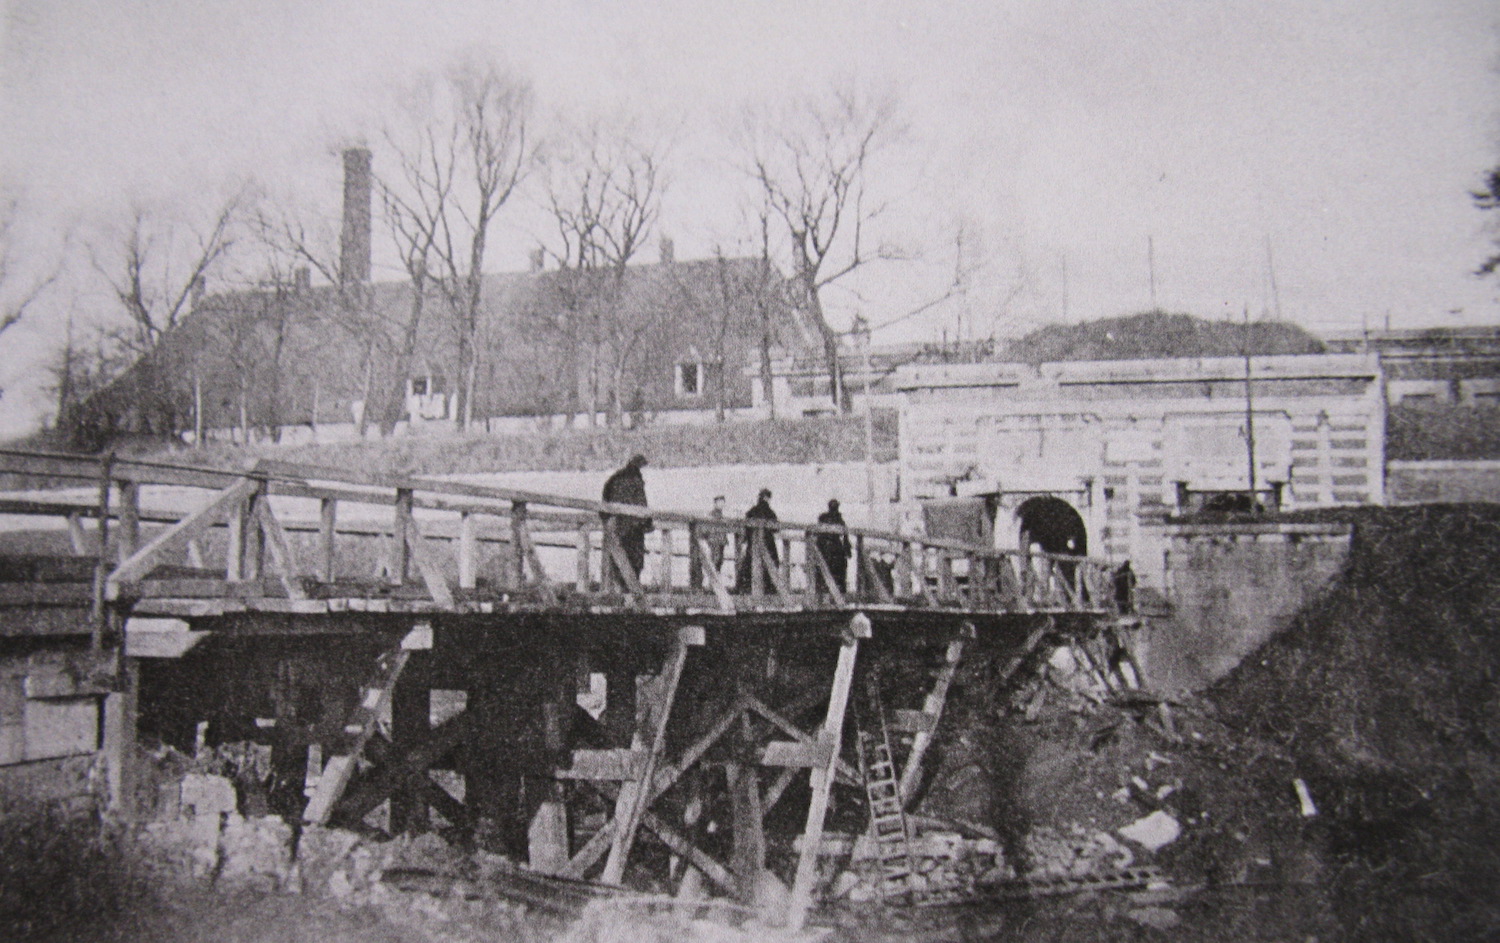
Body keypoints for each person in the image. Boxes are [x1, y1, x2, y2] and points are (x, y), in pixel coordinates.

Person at [602, 454, 651, 584]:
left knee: (618, 563)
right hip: (633, 529)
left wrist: (607, 521)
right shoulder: (635, 481)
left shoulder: (614, 479)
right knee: (634, 563)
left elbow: (604, 502)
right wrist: (647, 523)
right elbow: (642, 506)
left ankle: (620, 592)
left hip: (616, 528)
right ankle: (633, 594)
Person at [736, 488, 779, 593]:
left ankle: (746, 589)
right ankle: (768, 589)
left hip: (753, 543)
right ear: (767, 498)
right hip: (767, 544)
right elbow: (776, 528)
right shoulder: (770, 512)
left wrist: (745, 539)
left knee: (749, 563)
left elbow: (746, 526)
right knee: (771, 563)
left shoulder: (752, 511)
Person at [814, 498, 852, 595]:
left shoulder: (823, 519)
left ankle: (823, 592)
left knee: (825, 572)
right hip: (835, 551)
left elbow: (817, 535)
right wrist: (847, 551)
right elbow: (845, 538)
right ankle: (837, 593)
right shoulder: (839, 520)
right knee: (837, 573)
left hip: (826, 550)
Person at [705, 495, 728, 580]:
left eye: (722, 502)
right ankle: (713, 582)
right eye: (719, 502)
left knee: (720, 561)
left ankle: (716, 580)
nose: (721, 504)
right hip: (714, 540)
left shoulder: (721, 514)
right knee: (715, 560)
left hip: (721, 540)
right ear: (715, 503)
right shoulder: (712, 514)